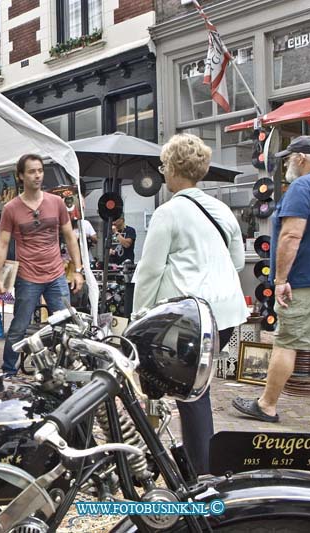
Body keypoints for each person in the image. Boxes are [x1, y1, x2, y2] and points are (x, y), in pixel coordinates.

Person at [133, 133, 247, 475]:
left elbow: (150, 271)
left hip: (192, 317)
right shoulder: (221, 209)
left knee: (189, 393)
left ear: (171, 169)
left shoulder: (168, 213)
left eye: (164, 166)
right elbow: (238, 260)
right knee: (197, 387)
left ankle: (201, 471)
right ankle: (197, 461)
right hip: (226, 315)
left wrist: (138, 318)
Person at [233, 135, 310, 425]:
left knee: (286, 343)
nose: (287, 163)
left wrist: (280, 280)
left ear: (301, 158)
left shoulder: (303, 186)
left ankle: (266, 405)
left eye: (289, 157)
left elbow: (291, 235)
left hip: (304, 282)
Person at [0, 154, 85, 376]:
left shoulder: (56, 202)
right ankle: (8, 371)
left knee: (66, 326)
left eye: (40, 171)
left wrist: (78, 270)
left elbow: (70, 237)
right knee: (19, 327)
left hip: (56, 275)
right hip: (28, 277)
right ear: (21, 176)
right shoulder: (11, 208)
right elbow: (2, 244)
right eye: (32, 171)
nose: (37, 175)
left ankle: (67, 369)